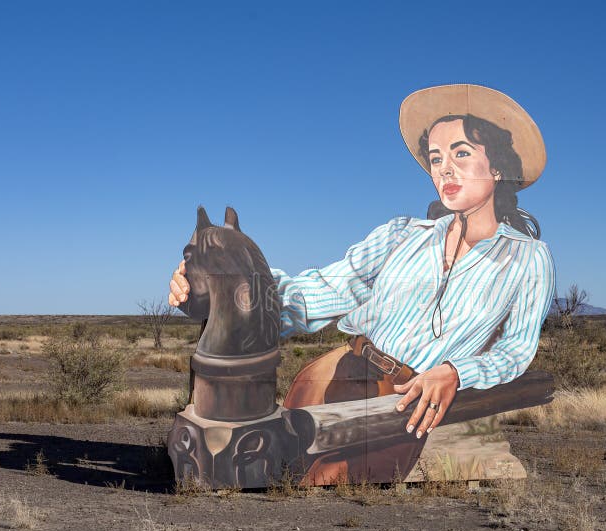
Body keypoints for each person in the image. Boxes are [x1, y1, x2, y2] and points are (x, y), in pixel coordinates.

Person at [169, 84, 555, 459]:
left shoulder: (527, 258)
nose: (445, 170)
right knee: (270, 461)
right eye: (436, 159)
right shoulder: (401, 234)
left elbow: (515, 350)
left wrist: (456, 372)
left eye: (462, 153)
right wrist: (225, 287)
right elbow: (330, 287)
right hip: (335, 371)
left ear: (499, 167)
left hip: (405, 397)